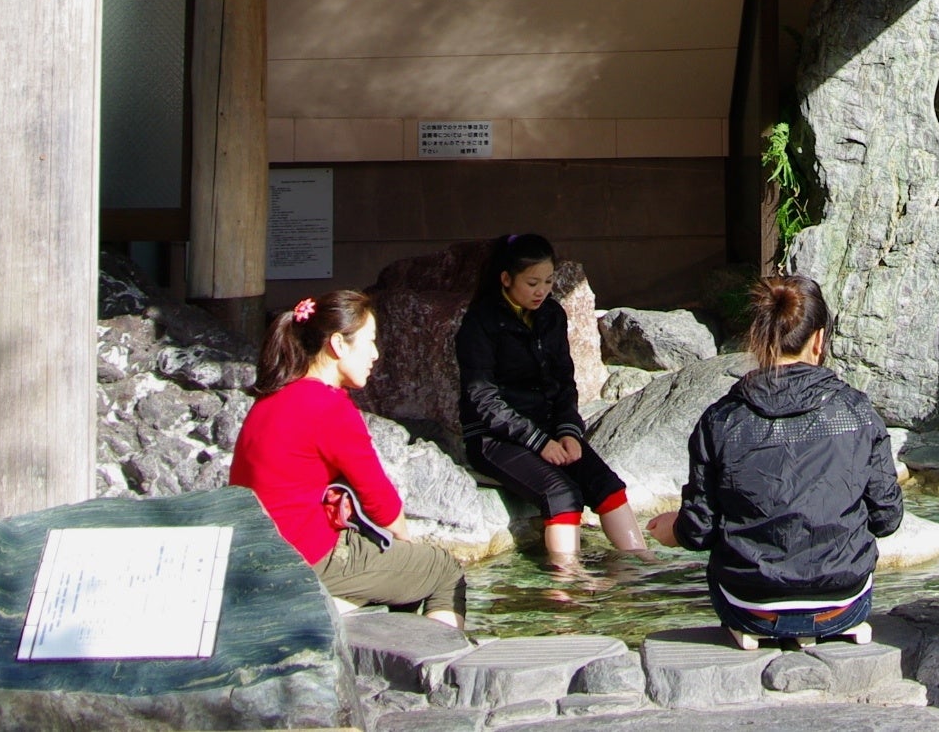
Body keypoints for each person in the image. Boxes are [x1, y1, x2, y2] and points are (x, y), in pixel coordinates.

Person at [649, 274, 901, 649]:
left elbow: (699, 530)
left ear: (758, 338)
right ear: (818, 340)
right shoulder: (857, 413)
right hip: (841, 606)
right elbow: (886, 518)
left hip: (749, 607)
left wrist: (675, 528)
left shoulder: (721, 420)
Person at [231, 290, 467, 627]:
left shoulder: (271, 397)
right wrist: (406, 546)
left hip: (255, 556)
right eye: (369, 342)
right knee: (442, 569)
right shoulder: (328, 406)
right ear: (338, 345)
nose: (375, 354)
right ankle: (437, 669)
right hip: (305, 558)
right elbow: (380, 501)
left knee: (405, 572)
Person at [455, 232, 648, 572]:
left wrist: (569, 431)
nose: (541, 290)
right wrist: (538, 441)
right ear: (505, 279)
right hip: (494, 439)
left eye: (547, 281)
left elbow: (563, 381)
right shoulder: (480, 323)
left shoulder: (552, 316)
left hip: (549, 430)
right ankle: (567, 583)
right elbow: (482, 398)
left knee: (605, 484)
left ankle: (642, 565)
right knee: (562, 494)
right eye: (532, 282)